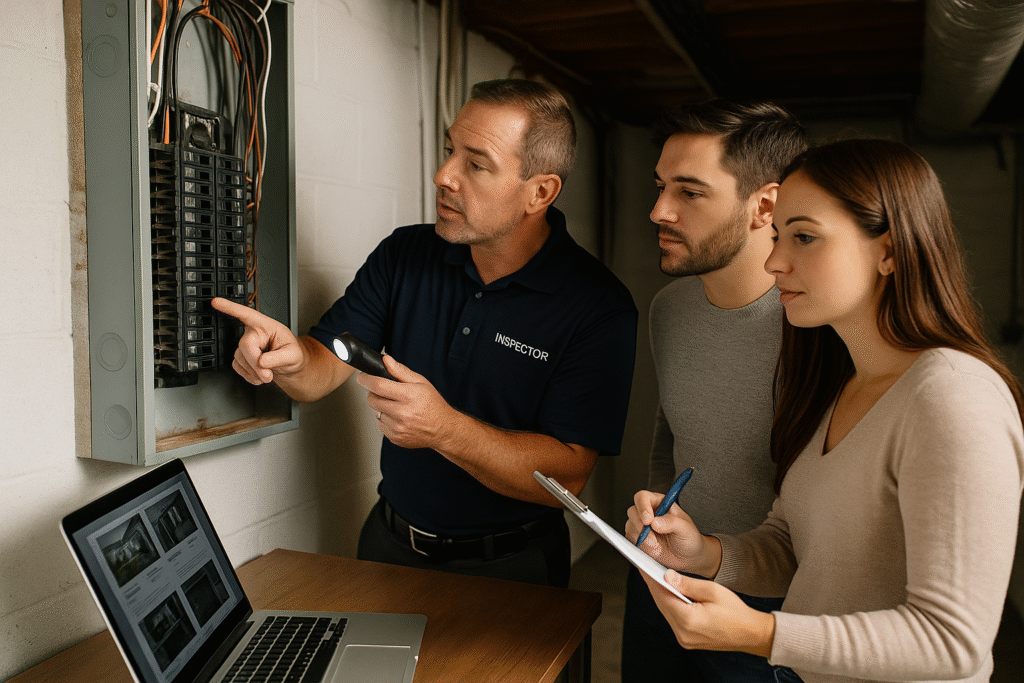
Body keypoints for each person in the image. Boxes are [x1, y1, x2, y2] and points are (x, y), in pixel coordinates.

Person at [626, 138, 1024, 683]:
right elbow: (796, 547)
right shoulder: (846, 383)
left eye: (804, 237)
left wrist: (759, 634)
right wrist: (706, 554)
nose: (774, 260)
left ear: (889, 250)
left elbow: (951, 641)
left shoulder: (952, 396)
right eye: (778, 236)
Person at [213, 79, 638, 588]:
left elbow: (567, 477)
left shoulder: (597, 306)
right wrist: (289, 360)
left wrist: (444, 429)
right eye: (449, 151)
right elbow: (321, 370)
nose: (443, 176)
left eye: (475, 164)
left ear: (540, 191)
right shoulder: (406, 255)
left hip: (512, 567)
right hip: (388, 545)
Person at [620, 99, 807, 682]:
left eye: (689, 192)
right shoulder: (668, 309)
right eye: (659, 187)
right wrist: (654, 522)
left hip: (769, 603)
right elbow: (670, 438)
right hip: (661, 574)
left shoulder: (814, 324)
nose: (658, 211)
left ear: (765, 205)